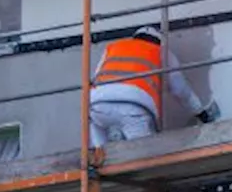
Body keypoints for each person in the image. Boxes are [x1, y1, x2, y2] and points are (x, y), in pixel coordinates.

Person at [89, 26, 220, 148]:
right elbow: (179, 88)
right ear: (159, 41)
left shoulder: (113, 47)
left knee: (100, 157)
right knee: (142, 155)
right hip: (133, 108)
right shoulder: (161, 51)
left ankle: (97, 157)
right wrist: (200, 112)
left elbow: (93, 80)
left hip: (96, 106)